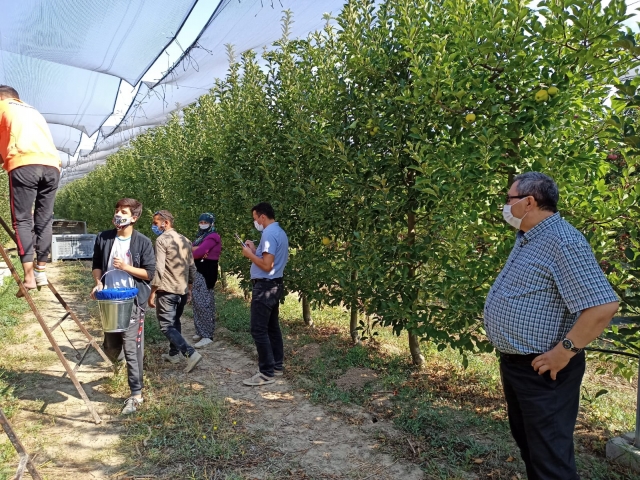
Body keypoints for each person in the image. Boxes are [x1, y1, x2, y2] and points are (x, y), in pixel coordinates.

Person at [484, 172, 619, 480]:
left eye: (509, 200)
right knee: (532, 448)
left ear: (529, 202)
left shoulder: (563, 241)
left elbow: (603, 306)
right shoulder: (529, 237)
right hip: (519, 365)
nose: (505, 207)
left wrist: (564, 351)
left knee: (550, 460)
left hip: (546, 371)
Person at [91, 198, 156, 415]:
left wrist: (127, 268)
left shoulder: (143, 242)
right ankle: (118, 359)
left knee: (132, 346)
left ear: (134, 217)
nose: (119, 214)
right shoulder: (104, 237)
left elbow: (149, 273)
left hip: (132, 301)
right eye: (117, 210)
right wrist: (98, 283)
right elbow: (97, 265)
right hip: (109, 298)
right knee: (111, 343)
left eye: (124, 211)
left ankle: (136, 394)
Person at [0, 85, 61, 293]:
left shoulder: (3, 107)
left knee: (23, 220)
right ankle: (40, 272)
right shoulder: (33, 111)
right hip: (52, 166)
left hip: (25, 163)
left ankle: (28, 278)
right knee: (44, 219)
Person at [241, 202, 289, 386]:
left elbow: (267, 265)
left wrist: (249, 255)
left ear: (262, 216)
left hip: (266, 287)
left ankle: (266, 372)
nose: (256, 222)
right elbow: (270, 261)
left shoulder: (269, 234)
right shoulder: (279, 232)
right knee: (271, 327)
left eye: (255, 219)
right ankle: (276, 366)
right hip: (275, 285)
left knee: (258, 329)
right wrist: (254, 250)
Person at [148, 210, 202, 373]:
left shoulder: (162, 240)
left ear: (166, 223)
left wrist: (152, 292)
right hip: (182, 290)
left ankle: (190, 353)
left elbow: (159, 268)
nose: (154, 226)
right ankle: (173, 353)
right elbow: (192, 266)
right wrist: (190, 287)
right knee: (175, 322)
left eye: (156, 223)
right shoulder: (184, 240)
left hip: (167, 290)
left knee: (166, 325)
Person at [191, 213, 221, 348]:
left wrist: (194, 250)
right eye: (201, 221)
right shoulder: (200, 237)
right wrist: (195, 250)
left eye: (205, 222)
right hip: (198, 271)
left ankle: (207, 334)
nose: (203, 223)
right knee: (197, 301)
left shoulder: (213, 237)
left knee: (205, 303)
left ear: (211, 223)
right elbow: (195, 250)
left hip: (206, 273)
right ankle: (200, 331)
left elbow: (197, 253)